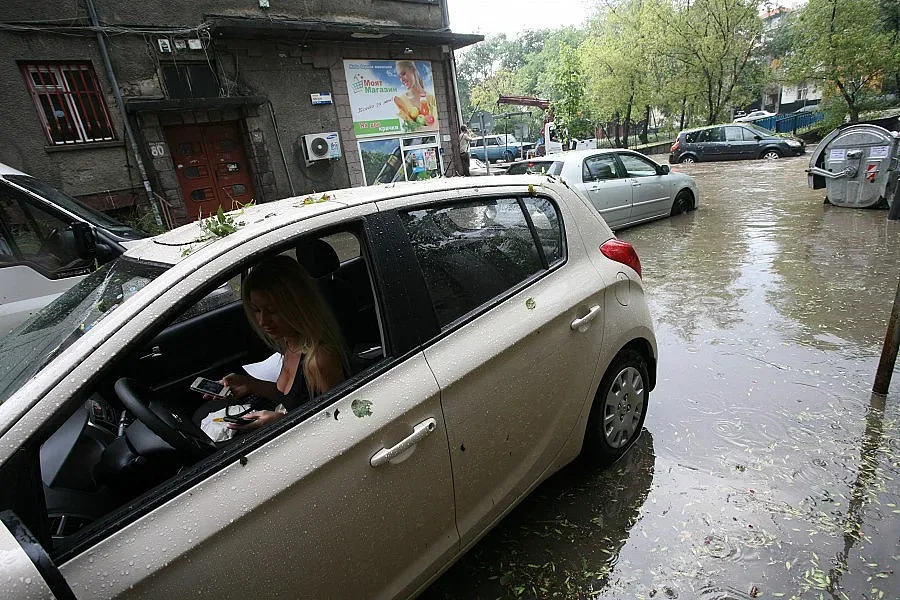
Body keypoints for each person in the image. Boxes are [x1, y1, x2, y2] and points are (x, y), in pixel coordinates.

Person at [213, 255, 348, 432]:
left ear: (298, 306)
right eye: (257, 310)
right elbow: (293, 398)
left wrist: (282, 421)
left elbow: (341, 422)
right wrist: (250, 384)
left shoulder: (320, 359)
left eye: (272, 311)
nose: (262, 321)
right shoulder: (290, 341)